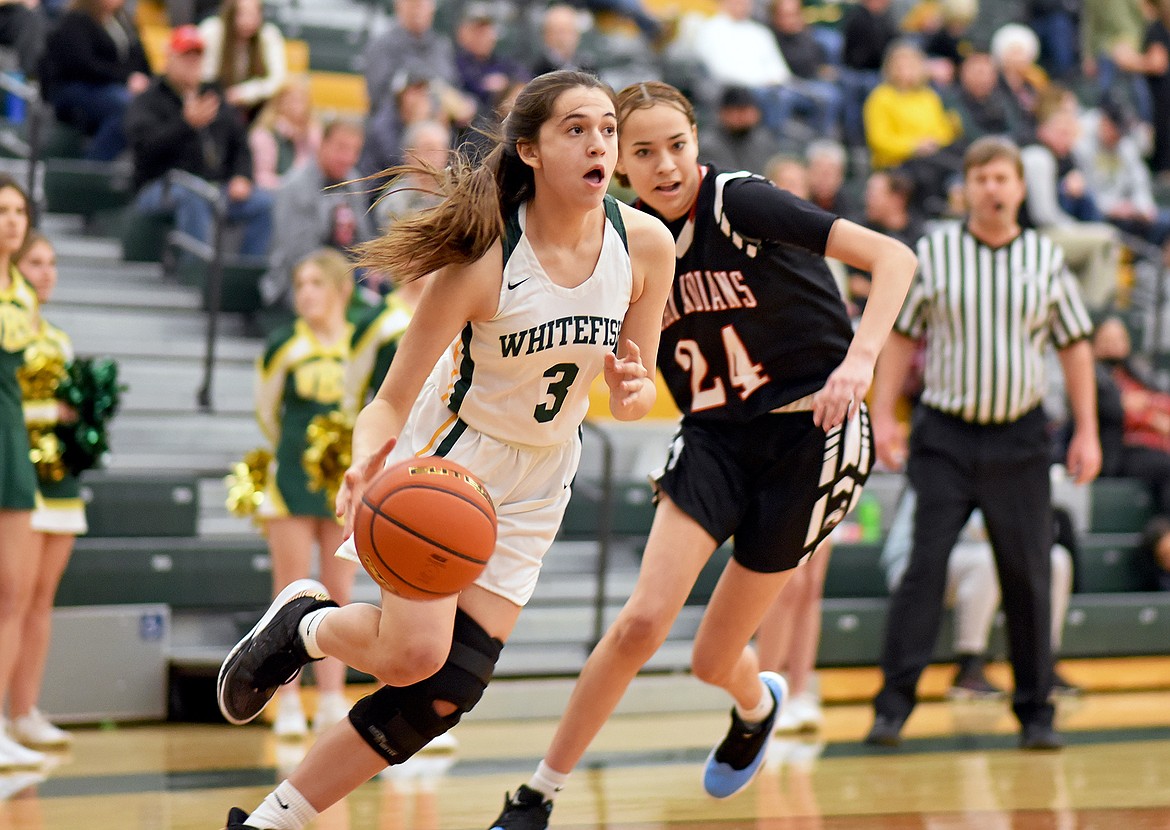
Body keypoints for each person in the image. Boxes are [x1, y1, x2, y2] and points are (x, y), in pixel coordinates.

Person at [214, 69, 676, 830]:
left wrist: (629, 394)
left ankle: (270, 824)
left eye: (606, 128)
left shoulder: (647, 245)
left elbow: (635, 382)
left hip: (543, 475)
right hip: (453, 464)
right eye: (576, 129)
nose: (599, 143)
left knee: (443, 691)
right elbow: (390, 398)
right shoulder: (486, 259)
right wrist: (369, 459)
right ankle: (302, 625)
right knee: (412, 658)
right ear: (528, 149)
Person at [488, 79, 916, 827]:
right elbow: (628, 378)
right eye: (643, 151)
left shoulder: (740, 202)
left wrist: (862, 360)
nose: (664, 166)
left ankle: (755, 704)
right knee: (641, 623)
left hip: (810, 431)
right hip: (715, 435)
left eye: (677, 147)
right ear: (618, 160)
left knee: (712, 659)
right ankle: (537, 794)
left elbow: (892, 257)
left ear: (698, 145)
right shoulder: (622, 238)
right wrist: (620, 384)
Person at [866, 135, 1100, 752]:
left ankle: (1036, 712)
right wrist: (884, 415)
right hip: (944, 435)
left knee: (1027, 575)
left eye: (1003, 177)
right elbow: (900, 336)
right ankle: (892, 708)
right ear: (965, 188)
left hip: (1020, 438)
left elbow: (1076, 345)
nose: (992, 188)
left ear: (1021, 188)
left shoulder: (1046, 259)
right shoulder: (935, 251)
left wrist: (1088, 430)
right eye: (982, 177)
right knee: (923, 572)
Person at [253, 249, 360, 739]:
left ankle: (334, 695)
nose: (306, 293)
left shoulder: (360, 345)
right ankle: (289, 696)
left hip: (344, 481)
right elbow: (267, 411)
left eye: (316, 283)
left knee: (339, 593)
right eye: (300, 285)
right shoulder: (283, 346)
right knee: (290, 593)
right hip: (292, 478)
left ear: (342, 290)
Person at [880, 484, 1078, 700]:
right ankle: (969, 668)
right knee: (986, 560)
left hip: (963, 561)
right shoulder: (938, 467)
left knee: (1056, 559)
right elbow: (978, 529)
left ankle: (1044, 662)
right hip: (914, 568)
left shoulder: (1007, 471)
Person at [7, 233, 82, 751]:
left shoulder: (58, 339)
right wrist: (45, 416)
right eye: (36, 263)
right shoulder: (12, 333)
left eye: (53, 264)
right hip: (16, 474)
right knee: (9, 600)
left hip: (59, 482)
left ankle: (23, 710)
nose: (47, 273)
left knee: (39, 602)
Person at [125, 25, 273, 259]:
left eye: (197, 57)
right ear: (170, 58)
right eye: (186, 57)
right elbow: (144, 150)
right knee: (191, 195)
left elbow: (241, 144)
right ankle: (198, 277)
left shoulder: (214, 96)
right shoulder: (149, 100)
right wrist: (185, 124)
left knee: (264, 202)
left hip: (215, 186)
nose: (192, 63)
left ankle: (244, 277)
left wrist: (242, 176)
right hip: (162, 187)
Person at [0, 177, 46, 770]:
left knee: (11, 591)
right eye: (0, 210)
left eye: (18, 211)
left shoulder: (24, 293)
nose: (11, 220)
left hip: (10, 438)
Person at [261, 119, 371, 310]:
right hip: (298, 281)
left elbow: (364, 239)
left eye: (355, 151)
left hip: (347, 275)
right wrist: (342, 272)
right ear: (322, 144)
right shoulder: (295, 186)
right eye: (341, 148)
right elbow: (298, 254)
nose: (348, 157)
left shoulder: (354, 182)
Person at [38, 0, 151, 161]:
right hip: (72, 87)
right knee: (124, 106)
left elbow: (137, 58)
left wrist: (137, 78)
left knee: (144, 105)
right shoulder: (75, 20)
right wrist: (125, 79)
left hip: (108, 86)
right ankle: (93, 166)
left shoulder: (121, 22)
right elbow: (83, 65)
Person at [198, 0, 287, 123]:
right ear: (230, 11)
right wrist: (223, 96)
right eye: (242, 13)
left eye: (254, 14)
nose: (248, 21)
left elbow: (277, 79)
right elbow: (203, 74)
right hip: (216, 103)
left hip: (255, 109)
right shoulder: (212, 31)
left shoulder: (268, 35)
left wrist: (244, 93)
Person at [248, 77, 323, 192]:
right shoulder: (265, 133)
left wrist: (307, 135)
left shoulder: (313, 132)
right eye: (291, 100)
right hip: (276, 191)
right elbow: (262, 176)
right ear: (279, 103)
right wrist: (290, 188)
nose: (297, 106)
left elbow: (319, 167)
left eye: (301, 100)